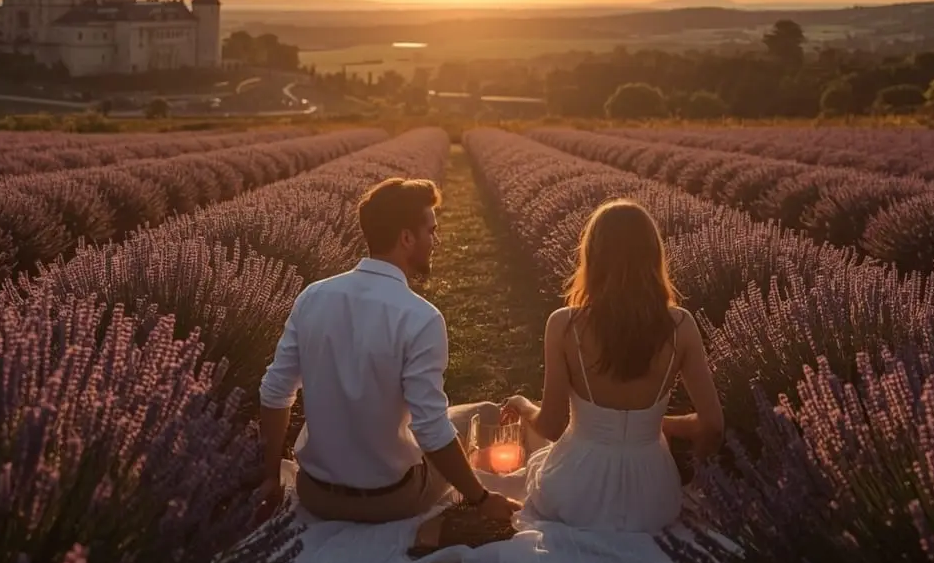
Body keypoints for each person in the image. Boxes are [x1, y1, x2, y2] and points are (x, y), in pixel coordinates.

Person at [257, 177, 521, 525]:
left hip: (316, 494)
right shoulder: (421, 317)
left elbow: (275, 393)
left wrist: (269, 476)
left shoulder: (313, 297)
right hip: (390, 501)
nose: (436, 241)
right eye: (431, 231)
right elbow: (430, 429)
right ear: (406, 238)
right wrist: (481, 499)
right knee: (479, 416)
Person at [500, 199, 723, 533]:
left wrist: (521, 404)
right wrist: (659, 429)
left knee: (538, 460)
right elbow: (713, 425)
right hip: (654, 501)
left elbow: (550, 425)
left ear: (591, 257)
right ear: (653, 256)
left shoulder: (564, 325)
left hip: (577, 495)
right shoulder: (681, 326)